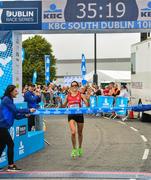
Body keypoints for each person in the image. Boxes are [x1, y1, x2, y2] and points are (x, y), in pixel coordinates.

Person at [0, 85, 35, 171]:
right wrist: (28, 110)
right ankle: (11, 166)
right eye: (15, 91)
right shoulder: (6, 100)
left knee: (2, 146)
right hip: (1, 126)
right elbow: (15, 111)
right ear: (10, 91)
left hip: (3, 126)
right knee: (10, 144)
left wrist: (25, 116)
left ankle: (11, 166)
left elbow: (16, 116)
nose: (17, 92)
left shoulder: (10, 100)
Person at [62, 81, 89, 158]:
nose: (74, 86)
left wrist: (87, 99)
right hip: (71, 115)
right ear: (71, 87)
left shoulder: (81, 95)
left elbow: (87, 105)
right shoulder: (68, 96)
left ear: (77, 86)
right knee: (73, 132)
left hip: (79, 115)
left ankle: (80, 148)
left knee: (80, 133)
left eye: (76, 85)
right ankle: (74, 149)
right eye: (73, 85)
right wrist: (61, 102)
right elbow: (63, 106)